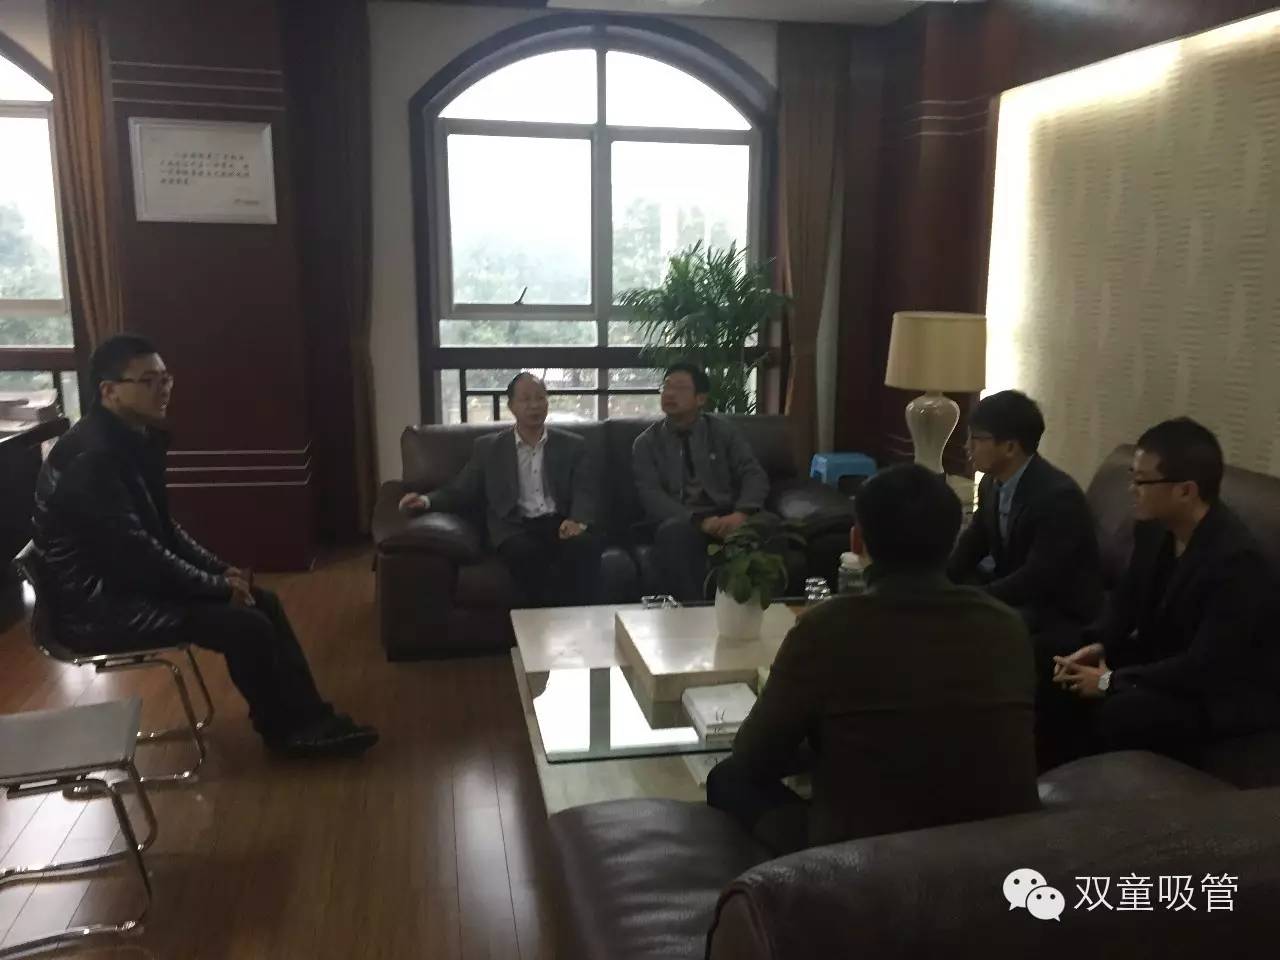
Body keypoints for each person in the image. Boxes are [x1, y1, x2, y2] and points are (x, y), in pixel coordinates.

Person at [33, 334, 377, 758]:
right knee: (245, 624)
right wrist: (216, 587)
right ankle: (288, 732)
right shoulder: (94, 458)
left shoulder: (128, 438)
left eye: (166, 378)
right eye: (148, 381)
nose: (163, 389)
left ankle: (309, 719)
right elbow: (137, 555)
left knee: (263, 602)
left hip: (124, 584)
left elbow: (163, 530)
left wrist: (220, 571)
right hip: (98, 608)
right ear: (109, 391)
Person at [706, 464, 1039, 855]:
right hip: (994, 845)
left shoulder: (827, 627)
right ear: (953, 542)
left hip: (867, 856)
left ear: (856, 540)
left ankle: (788, 876)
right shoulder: (1006, 625)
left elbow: (754, 755)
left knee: (729, 777)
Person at [1048, 418, 1280, 767]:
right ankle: (1043, 783)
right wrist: (1100, 646)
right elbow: (1127, 599)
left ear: (1185, 491)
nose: (1132, 489)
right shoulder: (1155, 528)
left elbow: (1204, 665)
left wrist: (1111, 681)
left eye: (1142, 481)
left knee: (1121, 711)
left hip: (1216, 692)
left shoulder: (1236, 562)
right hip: (1163, 661)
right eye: (1132, 476)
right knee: (1054, 659)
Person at [399, 372, 602, 607]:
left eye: (540, 397)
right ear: (511, 406)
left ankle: (580, 620)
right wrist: (426, 501)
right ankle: (547, 621)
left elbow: (585, 489)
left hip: (559, 523)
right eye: (526, 399)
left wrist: (578, 520)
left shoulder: (572, 445)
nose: (534, 405)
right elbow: (460, 490)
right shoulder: (489, 448)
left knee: (585, 547)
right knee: (526, 555)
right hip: (516, 527)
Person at [948, 390, 1103, 640]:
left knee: (965, 623)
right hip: (1016, 593)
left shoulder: (1059, 497)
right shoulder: (990, 483)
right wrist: (941, 581)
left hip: (1056, 609)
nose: (968, 447)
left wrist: (973, 599)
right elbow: (974, 541)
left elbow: (1037, 577)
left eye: (976, 439)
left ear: (1010, 447)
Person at [631, 362, 770, 603]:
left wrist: (741, 513)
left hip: (728, 515)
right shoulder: (646, 443)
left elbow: (753, 474)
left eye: (680, 388)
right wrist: (698, 521)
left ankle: (761, 610)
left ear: (701, 399)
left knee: (770, 525)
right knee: (673, 534)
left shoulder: (723, 432)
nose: (670, 394)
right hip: (683, 520)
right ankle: (695, 611)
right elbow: (651, 495)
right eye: (666, 387)